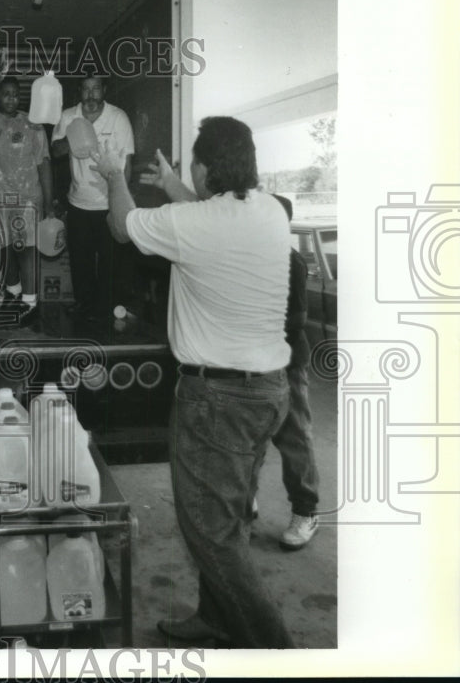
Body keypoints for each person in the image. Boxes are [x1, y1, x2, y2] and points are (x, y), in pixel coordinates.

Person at [95, 116, 294, 648]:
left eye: (194, 169)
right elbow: (204, 212)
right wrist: (172, 186)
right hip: (268, 393)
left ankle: (277, 651)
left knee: (210, 534)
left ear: (204, 169)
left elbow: (122, 225)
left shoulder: (194, 224)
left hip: (217, 401)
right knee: (228, 519)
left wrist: (115, 174)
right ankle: (217, 618)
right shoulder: (272, 210)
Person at [0, 50, 54, 325]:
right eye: (5, 93)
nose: (11, 98)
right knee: (3, 249)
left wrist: (49, 202)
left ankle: (31, 303)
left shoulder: (33, 125)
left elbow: (44, 164)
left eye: (15, 94)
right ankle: (13, 293)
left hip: (27, 200)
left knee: (26, 249)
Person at [51, 74, 134, 318]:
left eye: (96, 88)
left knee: (110, 262)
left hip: (110, 203)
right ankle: (84, 305)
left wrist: (121, 202)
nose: (91, 95)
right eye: (86, 89)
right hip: (78, 202)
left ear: (104, 90)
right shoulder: (68, 116)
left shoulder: (118, 117)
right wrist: (73, 136)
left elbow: (127, 162)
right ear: (79, 92)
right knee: (81, 261)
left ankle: (108, 309)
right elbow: (55, 151)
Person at [270, 195, 320, 549]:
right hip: (256, 360)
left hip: (288, 362)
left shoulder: (291, 261)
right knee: (249, 439)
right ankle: (245, 503)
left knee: (294, 438)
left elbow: (297, 320)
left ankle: (306, 511)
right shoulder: (251, 256)